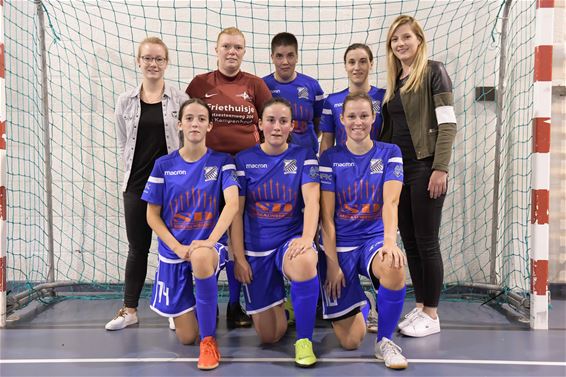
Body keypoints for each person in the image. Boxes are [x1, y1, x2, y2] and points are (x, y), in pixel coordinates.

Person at [142, 98, 240, 370]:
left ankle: (208, 342)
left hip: (208, 248)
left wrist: (209, 242)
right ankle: (199, 310)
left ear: (210, 125)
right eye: (189, 118)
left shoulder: (223, 161)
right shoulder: (163, 164)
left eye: (200, 119)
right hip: (174, 250)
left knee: (200, 258)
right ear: (180, 124)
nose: (195, 123)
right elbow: (152, 215)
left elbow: (232, 204)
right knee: (186, 337)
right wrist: (176, 247)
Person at [186, 27, 272, 327]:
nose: (231, 51)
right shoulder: (200, 84)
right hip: (209, 174)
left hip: (248, 175)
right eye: (226, 46)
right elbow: (189, 122)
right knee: (208, 236)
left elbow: (269, 123)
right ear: (216, 49)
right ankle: (201, 303)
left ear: (244, 51)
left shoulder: (256, 85)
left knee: (240, 239)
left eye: (237, 47)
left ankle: (236, 305)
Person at [380, 15, 457, 338]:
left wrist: (440, 167)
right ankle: (422, 304)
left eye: (406, 37)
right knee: (409, 242)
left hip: (425, 167)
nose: (401, 43)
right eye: (395, 39)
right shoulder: (395, 80)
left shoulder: (433, 72)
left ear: (419, 40)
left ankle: (433, 314)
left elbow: (448, 124)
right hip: (400, 170)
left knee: (427, 242)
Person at [319, 92, 408, 370]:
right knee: (351, 341)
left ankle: (385, 341)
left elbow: (391, 202)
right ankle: (364, 302)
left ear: (373, 118)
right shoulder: (329, 157)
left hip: (373, 239)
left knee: (394, 266)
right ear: (342, 119)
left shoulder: (390, 153)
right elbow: (327, 218)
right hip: (341, 243)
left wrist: (390, 242)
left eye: (364, 116)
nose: (358, 122)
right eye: (352, 116)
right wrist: (332, 263)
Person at [231, 98, 320, 367]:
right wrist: (239, 257)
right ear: (260, 124)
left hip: (288, 242)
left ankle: (304, 341)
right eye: (271, 120)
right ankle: (287, 306)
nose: (277, 127)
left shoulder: (303, 155)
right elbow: (236, 211)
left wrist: (306, 239)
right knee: (270, 336)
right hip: (256, 249)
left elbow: (313, 200)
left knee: (305, 261)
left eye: (283, 121)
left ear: (292, 126)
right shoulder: (244, 159)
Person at [107, 37, 188, 331]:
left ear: (166, 63)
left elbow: (187, 139)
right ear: (138, 61)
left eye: (159, 59)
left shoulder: (179, 99)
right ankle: (129, 310)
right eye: (148, 58)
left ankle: (175, 308)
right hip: (137, 184)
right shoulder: (125, 101)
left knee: (172, 247)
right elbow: (123, 141)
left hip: (172, 185)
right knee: (137, 248)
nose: (153, 64)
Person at [263, 32, 325, 155]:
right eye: (279, 56)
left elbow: (319, 123)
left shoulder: (313, 86)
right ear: (272, 58)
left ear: (297, 57)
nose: (285, 61)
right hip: (273, 157)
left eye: (290, 55)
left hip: (306, 157)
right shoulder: (262, 86)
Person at [319, 43, 386, 155]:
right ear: (345, 66)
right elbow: (327, 140)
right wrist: (323, 169)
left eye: (363, 61)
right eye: (351, 62)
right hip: (343, 168)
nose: (357, 67)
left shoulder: (384, 97)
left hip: (376, 167)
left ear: (371, 64)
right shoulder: (332, 101)